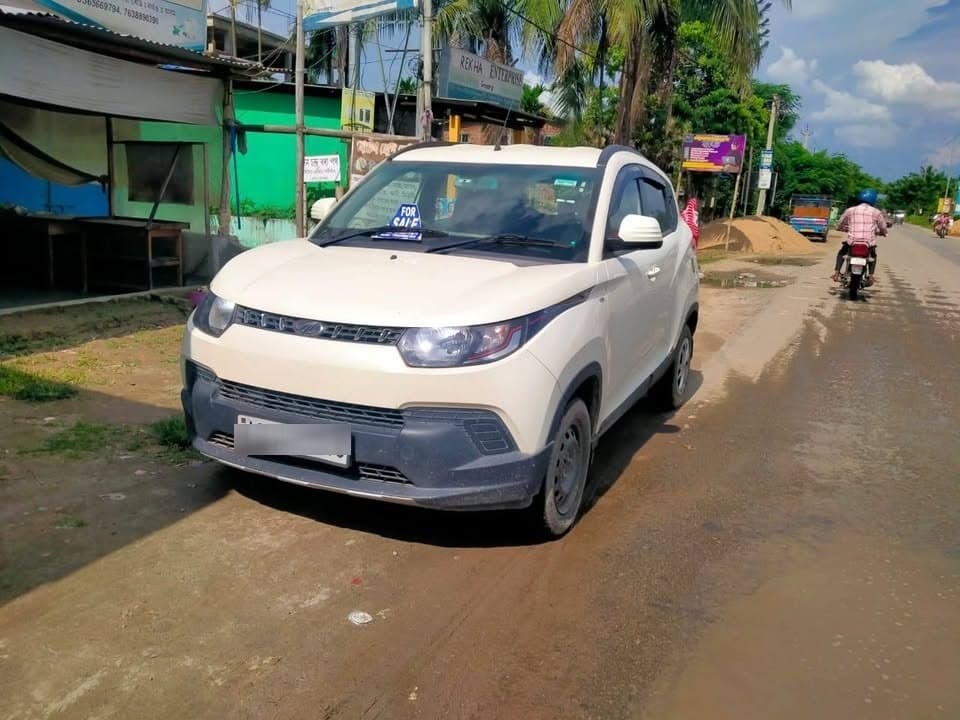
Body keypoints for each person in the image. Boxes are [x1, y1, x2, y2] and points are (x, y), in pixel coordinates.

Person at [832, 188, 887, 287]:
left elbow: (840, 223)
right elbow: (882, 226)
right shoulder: (876, 212)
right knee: (873, 256)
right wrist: (884, 232)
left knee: (842, 252)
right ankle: (870, 275)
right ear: (873, 200)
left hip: (852, 242)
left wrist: (839, 228)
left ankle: (836, 273)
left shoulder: (850, 210)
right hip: (868, 243)